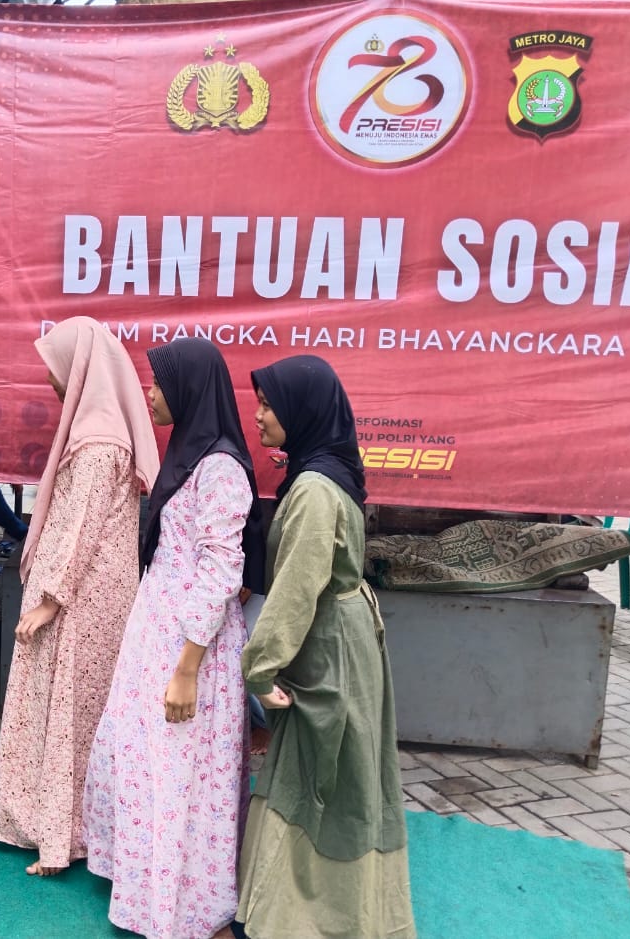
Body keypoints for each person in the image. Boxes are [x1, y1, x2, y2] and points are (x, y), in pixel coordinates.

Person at [82, 337, 265, 939]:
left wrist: (187, 668)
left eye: (159, 383)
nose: (151, 392)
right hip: (160, 634)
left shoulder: (220, 468)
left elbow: (222, 572)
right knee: (151, 762)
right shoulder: (190, 454)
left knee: (182, 769)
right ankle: (146, 882)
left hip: (190, 647)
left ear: (187, 389)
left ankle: (188, 903)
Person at [235, 354, 415, 939]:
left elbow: (296, 587)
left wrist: (260, 669)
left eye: (269, 405)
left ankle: (312, 918)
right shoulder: (326, 471)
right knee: (335, 772)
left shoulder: (313, 488)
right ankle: (317, 911)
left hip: (329, 647)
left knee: (324, 775)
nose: (259, 416)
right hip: (342, 638)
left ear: (302, 411)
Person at [0, 316, 159, 876]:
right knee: (80, 715)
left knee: (69, 716)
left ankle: (61, 836)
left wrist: (50, 600)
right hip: (89, 597)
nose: (51, 380)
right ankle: (74, 828)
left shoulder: (99, 443)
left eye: (57, 369)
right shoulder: (100, 434)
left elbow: (78, 530)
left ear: (82, 369)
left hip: (79, 604)